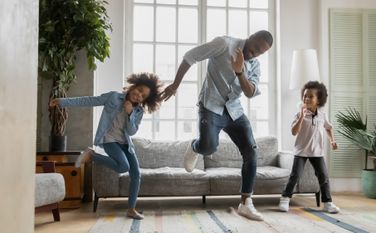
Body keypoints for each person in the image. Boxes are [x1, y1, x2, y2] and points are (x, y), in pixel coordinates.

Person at [160, 30, 273, 221]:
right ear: (251, 37)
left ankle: (246, 203)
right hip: (211, 106)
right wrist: (175, 85)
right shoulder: (223, 44)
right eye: (254, 48)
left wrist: (240, 72)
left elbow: (250, 92)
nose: (254, 54)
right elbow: (190, 57)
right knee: (209, 146)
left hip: (234, 111)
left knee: (251, 151)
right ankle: (195, 146)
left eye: (260, 53)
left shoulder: (255, 65)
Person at [49, 72, 163, 220]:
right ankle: (92, 155)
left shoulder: (138, 111)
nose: (139, 96)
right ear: (134, 85)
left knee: (136, 174)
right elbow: (89, 100)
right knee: (123, 167)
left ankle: (131, 209)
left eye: (143, 96)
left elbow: (131, 131)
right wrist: (63, 102)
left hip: (126, 144)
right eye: (140, 90)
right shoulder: (113, 97)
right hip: (109, 141)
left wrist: (129, 114)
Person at [278, 81, 340, 214]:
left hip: (317, 152)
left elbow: (328, 128)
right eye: (305, 96)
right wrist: (301, 116)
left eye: (310, 96)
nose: (306, 99)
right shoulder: (299, 114)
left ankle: (328, 203)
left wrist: (332, 141)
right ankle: (285, 199)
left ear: (319, 100)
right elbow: (294, 132)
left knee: (323, 176)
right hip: (301, 151)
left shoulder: (322, 115)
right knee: (295, 175)